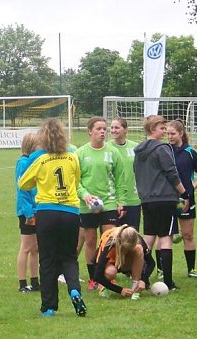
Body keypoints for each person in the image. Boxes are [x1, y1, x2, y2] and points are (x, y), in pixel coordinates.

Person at [18, 118, 87, 318]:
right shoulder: (72, 157)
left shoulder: (40, 159)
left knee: (47, 259)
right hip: (70, 213)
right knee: (69, 257)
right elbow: (76, 180)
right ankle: (74, 289)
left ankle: (49, 307)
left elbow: (23, 184)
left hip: (47, 212)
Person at [133, 115, 189, 291]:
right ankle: (168, 282)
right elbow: (171, 172)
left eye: (165, 128)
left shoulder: (138, 151)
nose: (165, 132)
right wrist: (184, 192)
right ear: (152, 130)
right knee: (165, 239)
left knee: (149, 238)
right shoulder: (162, 148)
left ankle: (142, 278)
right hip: (165, 198)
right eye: (161, 128)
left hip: (147, 199)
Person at [76, 117, 127, 290]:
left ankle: (108, 276)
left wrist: (121, 201)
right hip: (87, 204)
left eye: (104, 129)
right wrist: (85, 195)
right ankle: (94, 279)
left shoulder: (112, 152)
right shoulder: (80, 153)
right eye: (98, 129)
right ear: (90, 131)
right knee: (90, 241)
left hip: (109, 203)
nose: (103, 132)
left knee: (110, 240)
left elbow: (121, 179)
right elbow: (75, 181)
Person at [167, 120, 197, 278]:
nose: (169, 136)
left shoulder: (190, 152)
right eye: (167, 133)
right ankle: (162, 270)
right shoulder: (164, 150)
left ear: (181, 133)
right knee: (164, 235)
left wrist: (193, 186)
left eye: (172, 133)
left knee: (188, 234)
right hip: (167, 199)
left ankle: (191, 269)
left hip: (185, 200)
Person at [92, 225, 154, 300]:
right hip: (111, 263)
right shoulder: (109, 244)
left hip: (125, 262)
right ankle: (103, 287)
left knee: (139, 249)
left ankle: (135, 288)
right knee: (111, 272)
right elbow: (97, 276)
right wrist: (120, 290)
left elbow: (151, 263)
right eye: (126, 248)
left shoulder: (137, 238)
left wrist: (143, 280)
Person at [15, 133, 40, 293]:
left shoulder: (33, 162)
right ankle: (22, 283)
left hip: (37, 210)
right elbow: (22, 191)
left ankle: (35, 281)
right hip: (27, 211)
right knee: (26, 247)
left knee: (36, 248)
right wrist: (29, 213)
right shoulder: (23, 163)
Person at [108, 117, 141, 229]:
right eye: (112, 127)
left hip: (133, 199)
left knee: (132, 237)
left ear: (125, 129)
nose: (113, 130)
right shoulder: (107, 147)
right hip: (113, 200)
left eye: (117, 127)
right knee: (113, 239)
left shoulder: (135, 147)